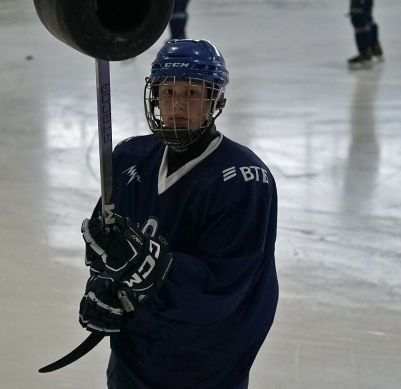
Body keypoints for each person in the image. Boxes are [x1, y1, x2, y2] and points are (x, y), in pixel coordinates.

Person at [79, 39, 279, 389]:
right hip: (134, 354)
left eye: (193, 93)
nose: (178, 105)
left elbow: (225, 285)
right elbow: (107, 247)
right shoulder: (130, 156)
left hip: (206, 363)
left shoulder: (243, 179)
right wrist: (108, 289)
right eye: (168, 92)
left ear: (217, 99)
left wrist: (152, 267)